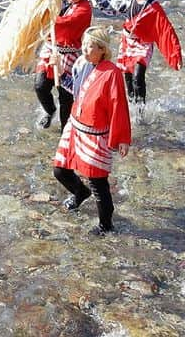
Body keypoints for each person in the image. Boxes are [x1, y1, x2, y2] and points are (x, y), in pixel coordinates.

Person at [52, 26, 132, 236]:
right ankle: (80, 192)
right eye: (84, 45)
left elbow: (119, 105)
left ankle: (106, 225)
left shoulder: (112, 73)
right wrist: (59, 70)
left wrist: (122, 138)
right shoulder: (83, 64)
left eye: (89, 47)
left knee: (98, 183)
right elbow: (75, 91)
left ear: (102, 49)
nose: (84, 50)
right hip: (75, 127)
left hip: (95, 135)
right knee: (60, 170)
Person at [94, 0, 183, 114]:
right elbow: (111, 9)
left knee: (138, 75)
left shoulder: (153, 7)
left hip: (143, 44)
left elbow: (167, 30)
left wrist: (176, 54)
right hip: (127, 41)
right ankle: (131, 106)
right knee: (127, 76)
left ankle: (140, 110)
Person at [35, 0, 93, 131]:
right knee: (40, 86)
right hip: (50, 48)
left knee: (65, 96)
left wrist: (48, 16)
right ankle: (50, 111)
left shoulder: (85, 8)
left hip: (70, 54)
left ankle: (65, 131)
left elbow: (67, 22)